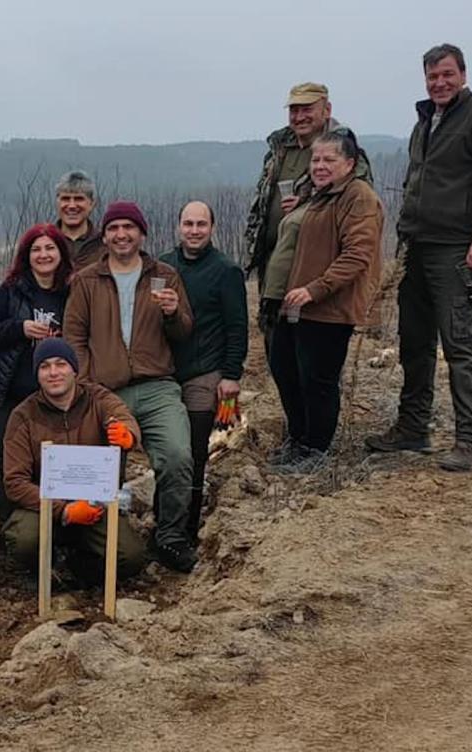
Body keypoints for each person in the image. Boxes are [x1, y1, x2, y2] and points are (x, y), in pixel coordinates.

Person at [366, 44, 472, 472]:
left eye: (447, 74)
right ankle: (413, 428)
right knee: (414, 343)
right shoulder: (425, 122)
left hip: (457, 250)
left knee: (461, 345)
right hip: (417, 246)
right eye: (432, 76)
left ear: (463, 75)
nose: (439, 83)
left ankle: (469, 440)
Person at [64, 200, 198, 573]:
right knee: (97, 466)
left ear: (142, 233)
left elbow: (184, 330)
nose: (122, 235)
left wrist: (173, 313)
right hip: (105, 390)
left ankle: (170, 536)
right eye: (114, 229)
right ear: (104, 236)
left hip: (157, 386)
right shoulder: (88, 280)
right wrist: (87, 386)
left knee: (176, 457)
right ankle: (91, 544)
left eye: (129, 228)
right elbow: (74, 336)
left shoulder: (165, 274)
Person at [268, 131, 383, 474]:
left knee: (317, 381)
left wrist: (316, 289)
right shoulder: (321, 196)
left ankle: (315, 450)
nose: (319, 166)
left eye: (329, 160)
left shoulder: (358, 197)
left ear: (349, 163)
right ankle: (299, 439)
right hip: (299, 305)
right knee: (285, 368)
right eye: (316, 159)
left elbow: (357, 255)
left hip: (329, 308)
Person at [3, 338, 146, 583]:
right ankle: (46, 567)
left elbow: (122, 416)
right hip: (45, 506)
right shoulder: (22, 415)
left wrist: (128, 434)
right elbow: (14, 482)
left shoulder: (97, 397)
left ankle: (78, 566)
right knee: (23, 540)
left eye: (61, 364)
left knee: (131, 556)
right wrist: (64, 511)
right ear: (37, 374)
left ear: (74, 369)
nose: (54, 372)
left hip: (94, 503)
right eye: (45, 366)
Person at [159, 201, 248, 541]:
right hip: (166, 373)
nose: (194, 231)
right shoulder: (163, 266)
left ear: (212, 227)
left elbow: (237, 326)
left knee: (195, 453)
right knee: (168, 452)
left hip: (205, 372)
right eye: (188, 224)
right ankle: (163, 520)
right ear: (178, 226)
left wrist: (231, 375)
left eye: (201, 224)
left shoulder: (226, 271)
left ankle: (188, 529)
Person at [0, 223, 73, 522]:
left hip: (56, 396)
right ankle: (13, 530)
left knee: (55, 463)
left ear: (61, 253)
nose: (43, 255)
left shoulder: (71, 292)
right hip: (10, 394)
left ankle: (57, 527)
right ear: (26, 255)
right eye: (36, 249)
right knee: (10, 465)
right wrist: (19, 329)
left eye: (50, 248)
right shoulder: (11, 291)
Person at [245, 83, 372, 294]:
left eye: (307, 109)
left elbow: (354, 199)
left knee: (306, 324)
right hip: (273, 258)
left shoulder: (344, 152)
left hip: (315, 266)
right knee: (274, 324)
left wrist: (308, 202)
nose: (299, 117)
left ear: (327, 110)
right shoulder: (279, 149)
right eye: (294, 110)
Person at [54, 170, 104, 269]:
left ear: (92, 204)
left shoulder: (105, 245)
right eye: (66, 199)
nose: (72, 206)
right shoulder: (44, 244)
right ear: (57, 203)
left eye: (79, 199)